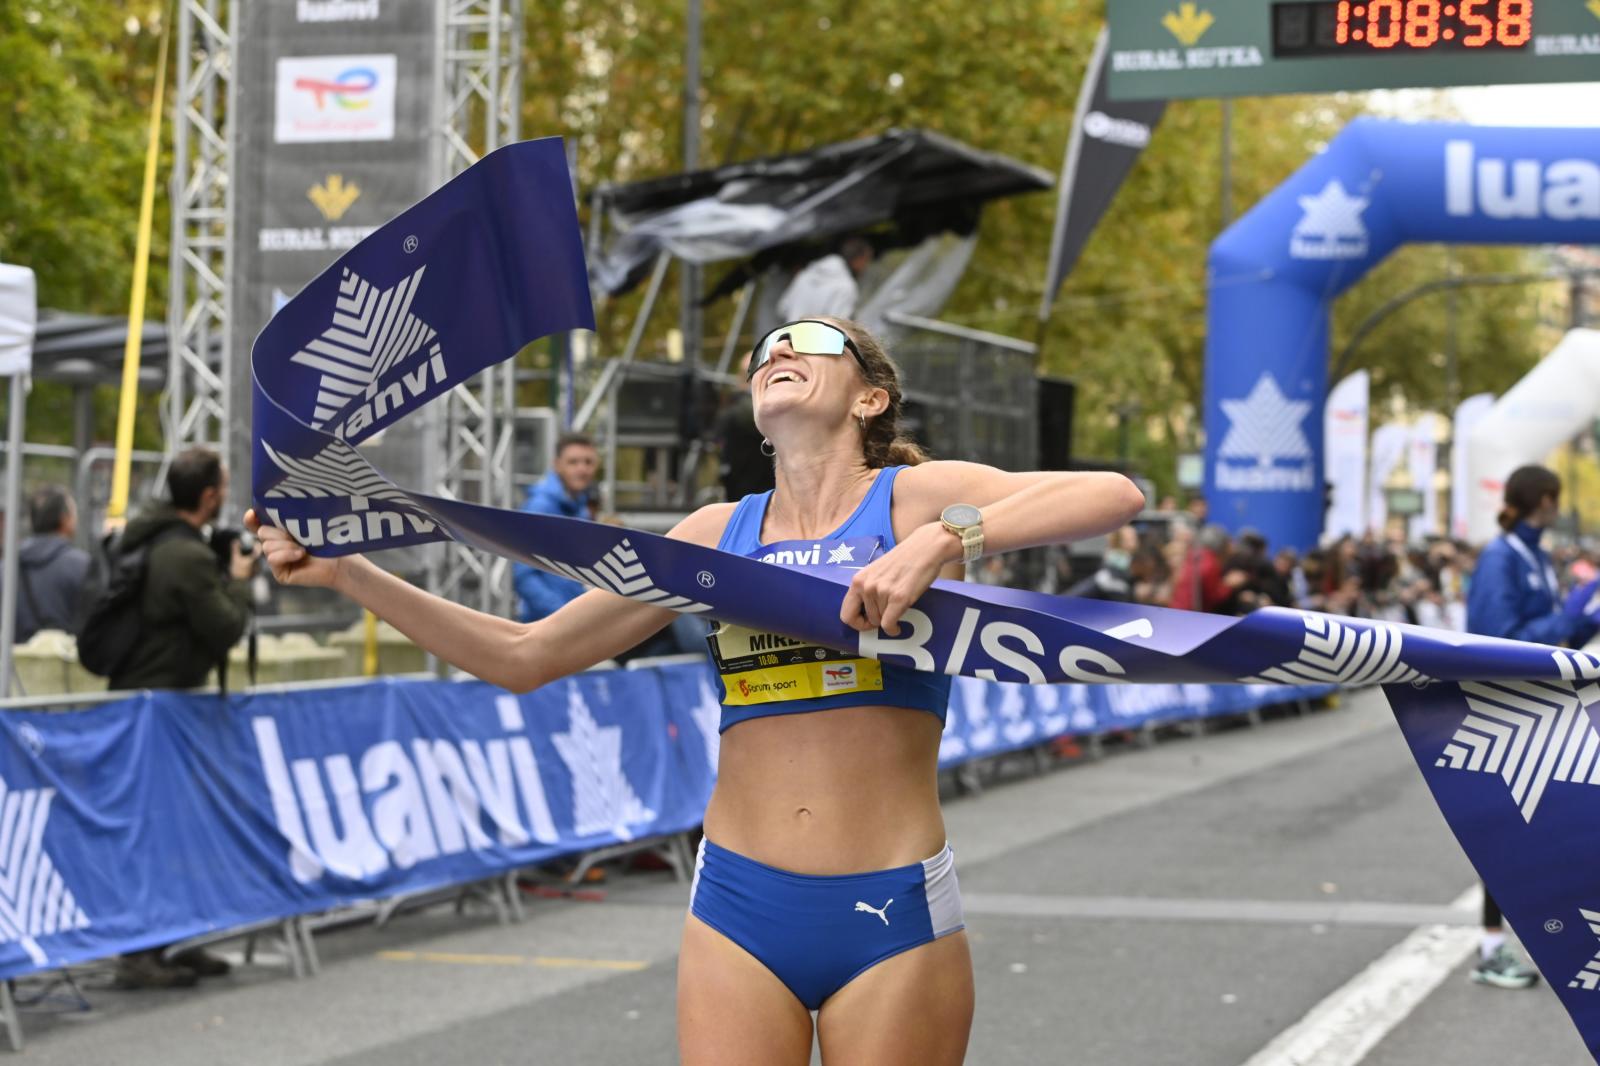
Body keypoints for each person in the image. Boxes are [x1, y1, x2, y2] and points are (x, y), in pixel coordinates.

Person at [249, 316, 1145, 1064]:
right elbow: (526, 654)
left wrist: (942, 542)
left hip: (890, 904)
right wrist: (350, 577)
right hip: (737, 907)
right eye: (762, 355)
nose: (775, 355)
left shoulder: (916, 498)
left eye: (806, 340)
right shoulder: (716, 535)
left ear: (869, 397)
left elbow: (1114, 492)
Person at [108, 446, 256, 987]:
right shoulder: (185, 556)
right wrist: (238, 579)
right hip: (161, 707)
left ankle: (174, 939)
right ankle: (140, 953)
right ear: (211, 496)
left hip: (151, 704)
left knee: (173, 828)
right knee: (154, 830)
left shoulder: (155, 538)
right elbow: (223, 627)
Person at [1465, 464, 1599, 990]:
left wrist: (1585, 619)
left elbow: (1544, 629)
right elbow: (1501, 635)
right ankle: (1492, 948)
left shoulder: (1532, 555)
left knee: (1541, 828)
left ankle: (1540, 940)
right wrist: (1570, 619)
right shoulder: (1501, 557)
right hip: (1504, 710)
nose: (1556, 510)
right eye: (1553, 500)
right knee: (1508, 832)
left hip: (1536, 704)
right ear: (1539, 500)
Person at [512, 432, 599, 622]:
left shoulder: (581, 508)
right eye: (573, 462)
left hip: (572, 624)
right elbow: (524, 576)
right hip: (548, 626)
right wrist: (563, 618)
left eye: (588, 462)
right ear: (557, 465)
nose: (582, 469)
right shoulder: (540, 507)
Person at [4, 485, 93, 641]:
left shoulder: (6, 567)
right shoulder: (83, 566)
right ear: (65, 519)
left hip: (13, 663)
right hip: (65, 664)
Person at [775, 237, 874, 323]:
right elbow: (838, 325)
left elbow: (782, 309)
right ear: (859, 259)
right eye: (866, 260)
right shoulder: (846, 286)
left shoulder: (806, 274)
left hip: (789, 338)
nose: (866, 266)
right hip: (815, 343)